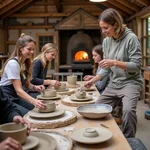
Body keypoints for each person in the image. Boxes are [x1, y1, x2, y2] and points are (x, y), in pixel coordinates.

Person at [84, 8, 143, 138]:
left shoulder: (131, 39)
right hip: (114, 83)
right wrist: (95, 79)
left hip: (130, 82)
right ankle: (100, 136)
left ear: (115, 24)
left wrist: (115, 62)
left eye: (105, 28)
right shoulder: (106, 41)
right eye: (101, 28)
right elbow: (106, 67)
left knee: (128, 111)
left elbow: (137, 66)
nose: (103, 32)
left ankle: (129, 141)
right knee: (96, 108)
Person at [0, 33, 46, 116]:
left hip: (15, 97)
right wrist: (34, 101)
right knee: (29, 115)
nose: (32, 52)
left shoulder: (24, 63)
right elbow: (18, 91)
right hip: (7, 99)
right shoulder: (13, 64)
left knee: (36, 109)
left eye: (33, 49)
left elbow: (27, 84)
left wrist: (35, 87)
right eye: (29, 49)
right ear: (20, 49)